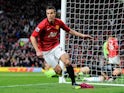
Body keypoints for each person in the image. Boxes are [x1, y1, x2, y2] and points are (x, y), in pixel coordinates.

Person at [30, 6, 93, 88]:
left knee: (67, 62)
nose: (50, 15)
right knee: (59, 71)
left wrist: (82, 36)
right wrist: (37, 50)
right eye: (48, 13)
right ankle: (59, 71)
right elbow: (32, 37)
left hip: (55, 46)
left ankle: (74, 83)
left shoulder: (59, 22)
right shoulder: (42, 24)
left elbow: (69, 30)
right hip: (46, 51)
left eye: (51, 13)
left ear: (55, 13)